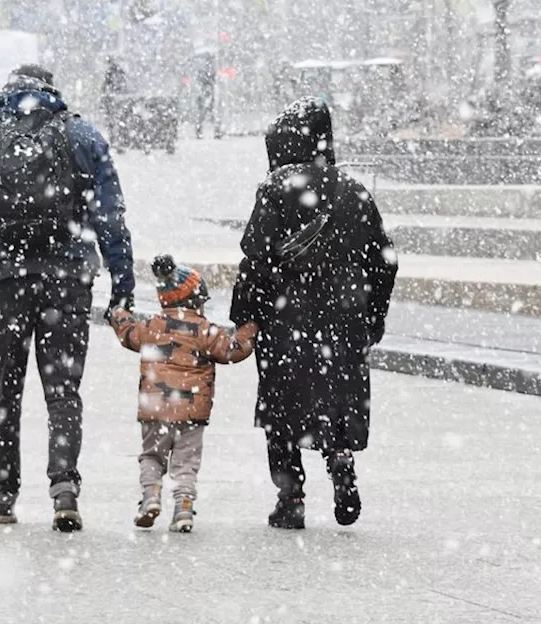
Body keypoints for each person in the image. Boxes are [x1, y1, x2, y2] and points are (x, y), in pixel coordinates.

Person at [0, 64, 136, 533]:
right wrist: (122, 285)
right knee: (63, 389)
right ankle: (64, 488)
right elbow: (111, 218)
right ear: (52, 91)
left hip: (6, 281)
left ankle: (3, 492)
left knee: (5, 384)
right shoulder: (82, 136)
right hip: (67, 280)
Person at [229, 97, 398, 530]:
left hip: (287, 318)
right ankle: (341, 465)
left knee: (283, 407)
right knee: (336, 399)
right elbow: (385, 261)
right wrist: (373, 316)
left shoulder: (276, 188)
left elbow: (256, 260)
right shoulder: (354, 190)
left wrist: (244, 314)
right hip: (344, 318)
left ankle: (291, 497)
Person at [110, 255, 258, 533]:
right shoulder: (205, 331)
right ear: (197, 300)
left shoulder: (151, 327)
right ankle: (184, 509)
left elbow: (127, 333)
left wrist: (119, 313)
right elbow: (233, 350)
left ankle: (151, 496)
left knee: (152, 455)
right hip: (191, 410)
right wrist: (249, 329)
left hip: (154, 408)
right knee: (185, 463)